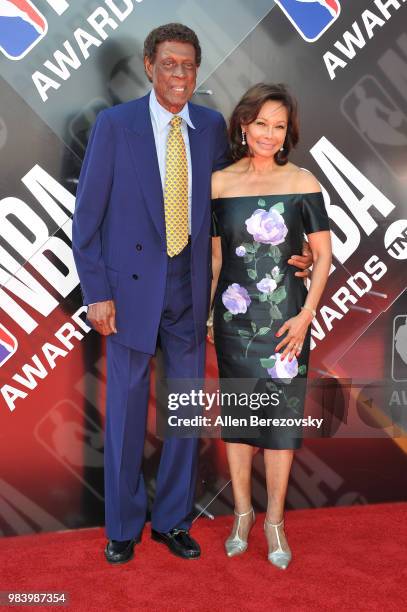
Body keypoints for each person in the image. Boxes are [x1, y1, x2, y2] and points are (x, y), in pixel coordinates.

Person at [73, 23, 311, 565]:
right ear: (149, 64)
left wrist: (292, 255)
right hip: (129, 294)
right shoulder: (115, 125)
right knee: (128, 412)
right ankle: (122, 526)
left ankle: (174, 520)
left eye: (188, 66)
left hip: (192, 291)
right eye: (169, 64)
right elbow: (86, 219)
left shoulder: (209, 128)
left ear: (197, 71)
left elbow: (243, 202)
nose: (179, 75)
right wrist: (97, 292)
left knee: (182, 412)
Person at [209, 83, 332, 569]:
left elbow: (321, 258)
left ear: (288, 133)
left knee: (279, 424)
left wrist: (306, 315)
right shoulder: (218, 183)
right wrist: (207, 316)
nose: (269, 134)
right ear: (244, 124)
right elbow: (217, 260)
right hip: (234, 319)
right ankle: (242, 514)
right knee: (240, 423)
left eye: (278, 126)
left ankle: (275, 521)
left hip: (287, 322)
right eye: (260, 123)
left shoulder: (303, 182)